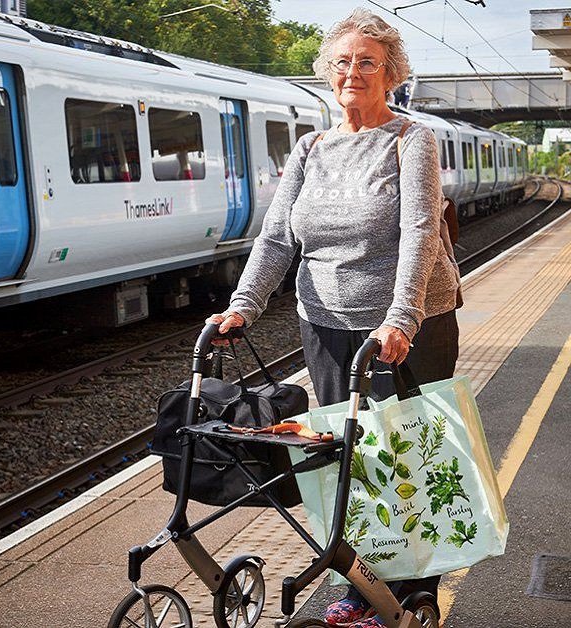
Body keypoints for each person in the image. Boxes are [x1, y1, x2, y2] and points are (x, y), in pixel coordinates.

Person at [206, 9, 461, 628]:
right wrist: (243, 304)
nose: (353, 71)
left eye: (367, 61)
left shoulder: (409, 139)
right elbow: (275, 237)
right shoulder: (310, 147)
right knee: (346, 455)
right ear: (328, 72)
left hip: (407, 325)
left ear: (391, 73)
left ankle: (410, 585)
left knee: (405, 457)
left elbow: (419, 232)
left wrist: (402, 317)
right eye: (343, 61)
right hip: (324, 319)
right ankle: (361, 580)